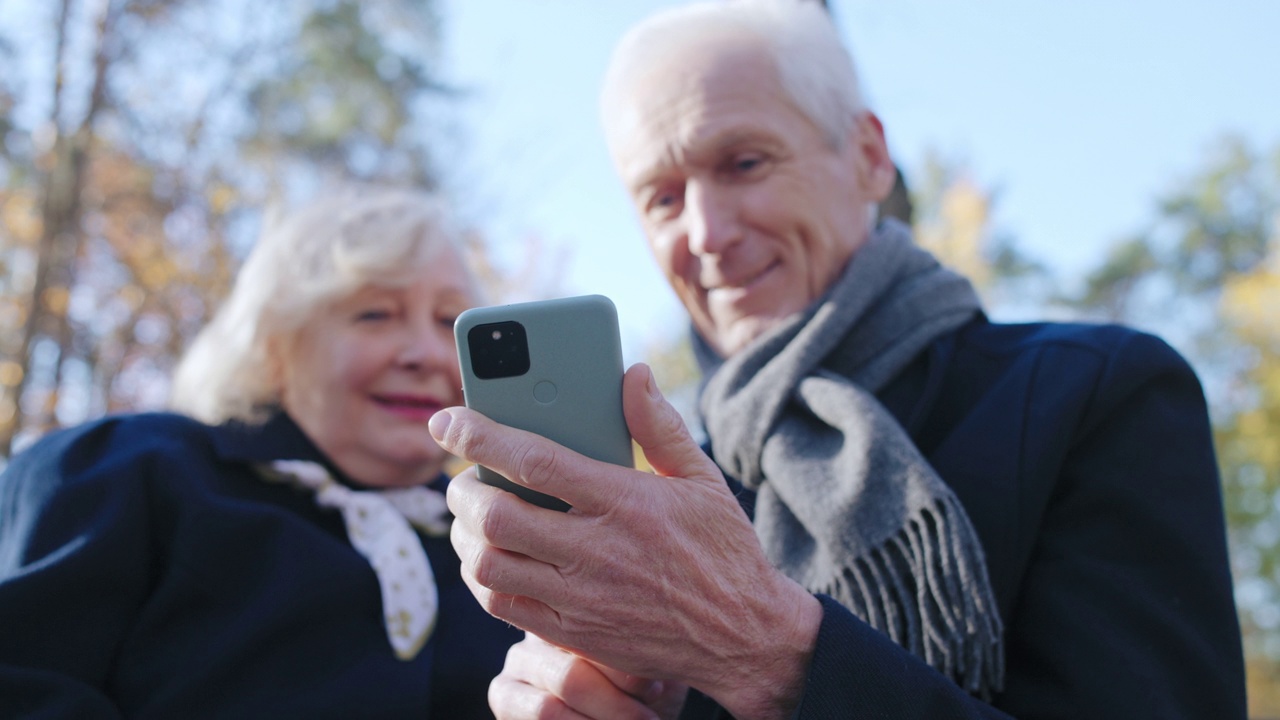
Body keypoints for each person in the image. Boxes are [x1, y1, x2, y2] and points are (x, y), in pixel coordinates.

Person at [427, 1, 1247, 718]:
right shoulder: (674, 501)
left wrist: (766, 652)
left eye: (743, 163)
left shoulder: (1092, 393)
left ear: (868, 156)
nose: (707, 234)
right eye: (663, 198)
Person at [0, 188, 523, 718]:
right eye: (375, 314)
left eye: (448, 321)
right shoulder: (124, 472)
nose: (428, 354)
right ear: (276, 343)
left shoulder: (508, 546)